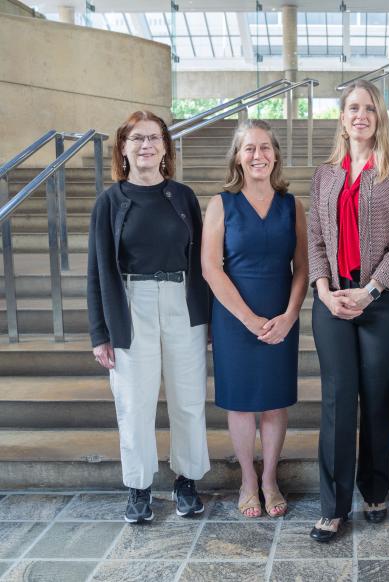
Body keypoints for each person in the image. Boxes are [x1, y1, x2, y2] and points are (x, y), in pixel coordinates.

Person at [307, 80, 389, 542]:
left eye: (370, 108)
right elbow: (314, 238)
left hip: (384, 301)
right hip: (332, 300)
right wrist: (323, 290)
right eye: (353, 107)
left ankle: (375, 489)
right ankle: (333, 507)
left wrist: (370, 292)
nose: (361, 115)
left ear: (380, 117)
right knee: (337, 397)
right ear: (342, 116)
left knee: (376, 395)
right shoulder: (324, 175)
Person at [87, 110, 210, 523]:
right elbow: (97, 269)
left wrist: (207, 317)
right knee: (134, 404)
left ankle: (186, 481)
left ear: (165, 147)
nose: (145, 145)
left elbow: (203, 262)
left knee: (188, 400)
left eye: (153, 138)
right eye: (136, 138)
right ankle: (139, 487)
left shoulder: (183, 197)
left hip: (182, 302)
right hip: (131, 303)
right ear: (123, 147)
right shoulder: (109, 201)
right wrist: (99, 332)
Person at [202, 120, 308, 518]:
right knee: (243, 404)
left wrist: (290, 315)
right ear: (237, 157)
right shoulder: (221, 204)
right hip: (235, 316)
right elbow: (211, 269)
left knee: (275, 405)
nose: (258, 155)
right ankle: (248, 479)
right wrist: (248, 320)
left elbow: (302, 267)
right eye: (249, 149)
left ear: (276, 155)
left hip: (282, 313)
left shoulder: (291, 204)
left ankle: (270, 479)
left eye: (265, 148)